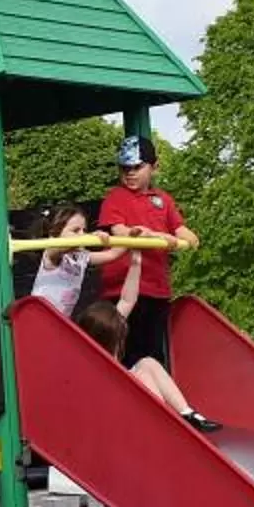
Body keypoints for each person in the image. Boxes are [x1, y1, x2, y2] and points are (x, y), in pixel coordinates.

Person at [98, 135, 197, 370]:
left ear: (154, 166)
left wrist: (187, 238)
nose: (130, 173)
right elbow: (121, 231)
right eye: (125, 168)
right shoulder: (116, 197)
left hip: (156, 290)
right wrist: (158, 237)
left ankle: (156, 397)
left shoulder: (163, 199)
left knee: (153, 352)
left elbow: (181, 229)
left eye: (137, 167)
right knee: (127, 352)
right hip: (123, 291)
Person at [76, 300, 221, 432]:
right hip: (115, 416)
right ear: (106, 340)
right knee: (142, 375)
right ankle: (165, 424)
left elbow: (128, 299)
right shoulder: (88, 364)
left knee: (147, 363)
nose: (121, 344)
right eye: (118, 340)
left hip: (126, 405)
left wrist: (135, 269)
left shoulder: (105, 341)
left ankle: (188, 414)